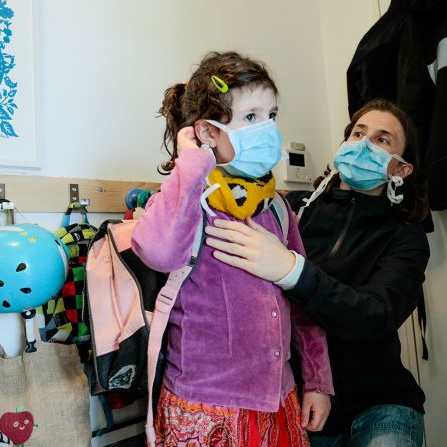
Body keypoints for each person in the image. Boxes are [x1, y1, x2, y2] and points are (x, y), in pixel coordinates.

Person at [131, 51, 334, 447]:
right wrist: (191, 162)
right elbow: (157, 251)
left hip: (279, 401)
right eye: (251, 117)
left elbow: (303, 303)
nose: (268, 129)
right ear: (208, 132)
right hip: (205, 407)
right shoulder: (187, 198)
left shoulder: (276, 207)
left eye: (271, 115)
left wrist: (317, 381)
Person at [204, 98, 430, 446]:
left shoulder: (405, 238)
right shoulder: (292, 210)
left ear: (401, 169)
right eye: (358, 133)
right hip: (302, 402)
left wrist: (293, 271)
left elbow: (375, 315)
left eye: (382, 140)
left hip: (379, 402)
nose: (364, 144)